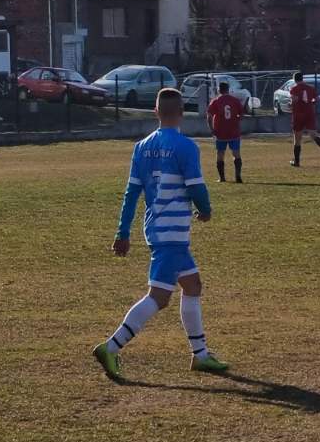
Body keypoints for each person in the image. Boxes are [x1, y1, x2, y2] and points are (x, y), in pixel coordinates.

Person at [93, 87, 228, 381]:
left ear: (155, 112)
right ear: (181, 113)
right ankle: (111, 348)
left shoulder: (141, 147)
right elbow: (196, 187)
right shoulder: (185, 146)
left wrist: (123, 232)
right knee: (159, 296)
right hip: (173, 231)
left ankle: (201, 355)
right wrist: (205, 210)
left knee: (192, 285)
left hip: (155, 226)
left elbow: (131, 193)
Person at [287, 71, 320, 167]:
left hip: (298, 115)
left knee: (297, 139)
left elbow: (294, 100)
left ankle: (297, 162)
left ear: (295, 80)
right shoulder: (311, 88)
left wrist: (290, 105)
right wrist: (310, 104)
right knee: (313, 134)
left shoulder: (294, 89)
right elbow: (317, 99)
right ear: (302, 79)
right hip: (309, 114)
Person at [206, 81, 245, 183]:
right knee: (236, 153)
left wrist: (211, 129)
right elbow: (242, 114)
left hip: (220, 132)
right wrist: (237, 120)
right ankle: (238, 176)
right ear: (228, 90)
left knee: (220, 154)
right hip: (234, 131)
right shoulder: (235, 100)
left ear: (219, 90)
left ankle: (222, 178)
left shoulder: (216, 101)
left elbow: (209, 116)